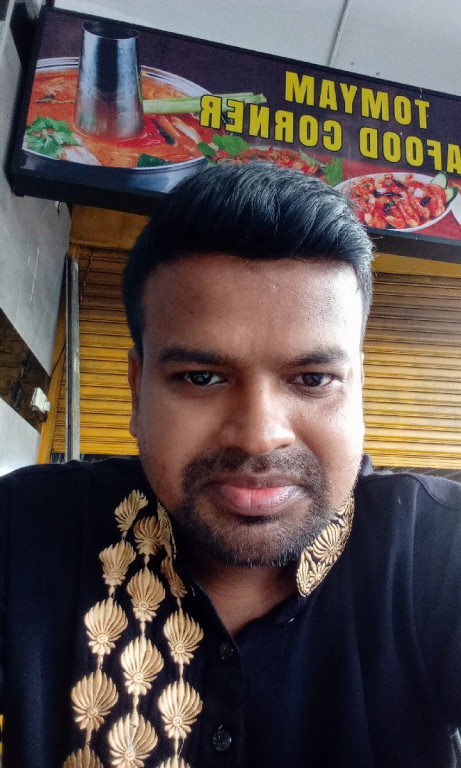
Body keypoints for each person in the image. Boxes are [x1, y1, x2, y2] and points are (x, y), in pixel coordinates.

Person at [1, 163, 461, 768]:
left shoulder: (437, 551)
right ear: (137, 391)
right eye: (201, 377)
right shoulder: (27, 530)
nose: (259, 437)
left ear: (358, 389)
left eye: (313, 378)